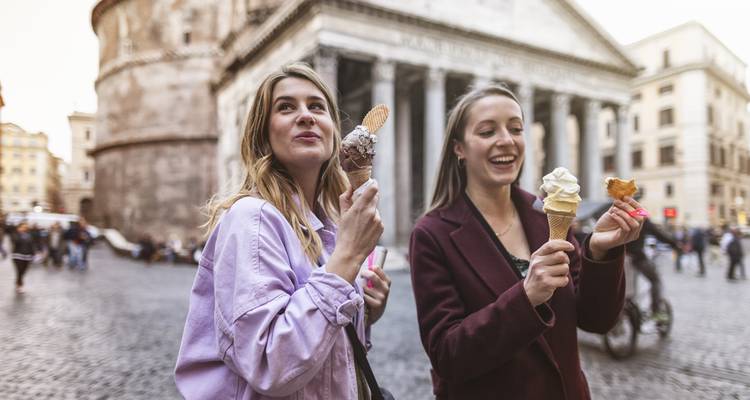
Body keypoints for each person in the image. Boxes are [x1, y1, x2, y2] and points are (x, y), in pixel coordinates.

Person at [409, 84, 645, 399]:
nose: (506, 140)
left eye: (516, 128)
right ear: (459, 148)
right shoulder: (432, 234)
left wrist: (599, 251)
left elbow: (597, 320)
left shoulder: (545, 214)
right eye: (487, 131)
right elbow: (447, 355)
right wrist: (526, 297)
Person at [175, 63, 391, 399]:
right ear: (263, 134)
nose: (305, 115)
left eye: (316, 106)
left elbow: (330, 359)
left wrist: (365, 311)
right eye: (286, 107)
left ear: (334, 133)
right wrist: (347, 257)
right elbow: (271, 364)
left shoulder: (328, 226)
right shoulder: (252, 217)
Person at [626, 217, 681, 318]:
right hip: (637, 257)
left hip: (620, 258)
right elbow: (658, 234)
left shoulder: (615, 213)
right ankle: (655, 311)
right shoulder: (640, 216)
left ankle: (625, 309)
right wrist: (675, 244)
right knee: (655, 280)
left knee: (626, 289)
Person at [11, 222, 38, 293]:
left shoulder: (29, 235)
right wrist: (19, 233)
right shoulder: (15, 234)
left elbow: (32, 245)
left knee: (23, 271)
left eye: (25, 227)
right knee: (19, 271)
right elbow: (16, 241)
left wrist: (34, 253)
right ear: (18, 228)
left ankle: (18, 282)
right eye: (22, 227)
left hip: (27, 256)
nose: (24, 229)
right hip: (17, 256)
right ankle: (19, 286)